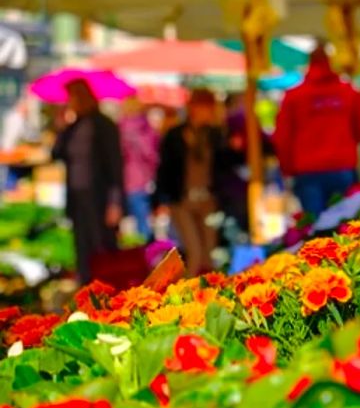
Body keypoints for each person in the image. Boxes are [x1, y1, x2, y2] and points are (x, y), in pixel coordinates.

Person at [274, 45, 360, 218]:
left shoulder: (294, 96)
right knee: (346, 229)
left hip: (307, 171)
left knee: (315, 231)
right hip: (343, 167)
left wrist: (287, 170)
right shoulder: (350, 92)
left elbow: (282, 138)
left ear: (309, 63)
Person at [154, 89, 240, 276]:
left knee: (209, 253)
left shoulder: (216, 135)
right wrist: (159, 200)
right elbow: (164, 169)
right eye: (206, 108)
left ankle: (209, 293)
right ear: (194, 108)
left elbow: (227, 166)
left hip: (208, 200)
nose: (208, 113)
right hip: (182, 200)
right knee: (194, 251)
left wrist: (230, 143)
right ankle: (187, 297)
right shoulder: (175, 135)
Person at [52, 80, 124, 284]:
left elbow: (115, 166)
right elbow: (56, 154)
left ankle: (107, 292)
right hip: (77, 197)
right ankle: (86, 288)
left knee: (102, 247)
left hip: (99, 197)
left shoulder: (104, 125)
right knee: (82, 248)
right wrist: (61, 128)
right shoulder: (73, 127)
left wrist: (115, 202)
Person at [119, 97, 160, 239]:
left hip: (122, 181)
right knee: (143, 224)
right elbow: (153, 156)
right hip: (142, 181)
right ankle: (145, 254)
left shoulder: (119, 128)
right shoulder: (147, 129)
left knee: (123, 225)